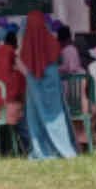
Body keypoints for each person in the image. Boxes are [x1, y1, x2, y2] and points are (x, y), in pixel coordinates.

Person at [20, 10, 78, 159]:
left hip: (33, 81)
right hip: (52, 79)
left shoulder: (26, 44)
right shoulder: (52, 41)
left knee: (36, 117)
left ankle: (41, 150)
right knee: (56, 116)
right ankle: (64, 148)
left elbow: (24, 61)